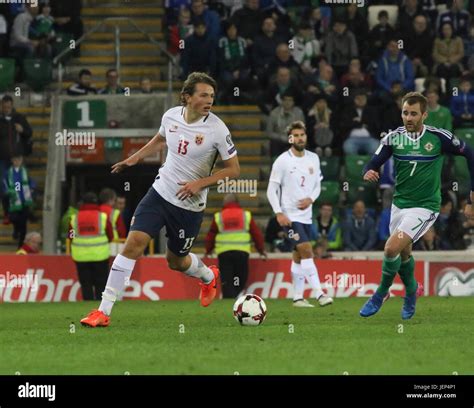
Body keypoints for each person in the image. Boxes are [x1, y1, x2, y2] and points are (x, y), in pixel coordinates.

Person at [80, 72, 240, 327]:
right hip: (160, 192)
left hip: (190, 205)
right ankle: (103, 311)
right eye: (203, 95)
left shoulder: (217, 129)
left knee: (175, 261)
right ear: (187, 97)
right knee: (133, 244)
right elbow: (161, 139)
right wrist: (135, 157)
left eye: (211, 95)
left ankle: (208, 276)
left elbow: (234, 170)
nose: (209, 100)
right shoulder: (171, 116)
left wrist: (199, 183)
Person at [360, 92, 474, 320]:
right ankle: (412, 290)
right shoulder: (393, 138)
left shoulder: (438, 138)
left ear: (424, 114)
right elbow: (373, 162)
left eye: (413, 113)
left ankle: (381, 293)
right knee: (403, 254)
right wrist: (369, 171)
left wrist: (472, 193)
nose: (408, 118)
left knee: (391, 248)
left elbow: (470, 153)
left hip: (425, 206)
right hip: (400, 204)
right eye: (405, 113)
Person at [266, 120, 333, 308]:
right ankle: (319, 294)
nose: (299, 138)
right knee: (306, 249)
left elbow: (318, 184)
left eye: (302, 135)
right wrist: (279, 213)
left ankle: (297, 297)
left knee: (297, 255)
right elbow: (271, 190)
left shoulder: (313, 158)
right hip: (289, 217)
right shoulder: (282, 161)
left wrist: (311, 198)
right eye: (295, 135)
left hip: (306, 216)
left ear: (306, 136)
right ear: (290, 138)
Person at [204, 193, 266, 298]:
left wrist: (208, 250)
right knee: (241, 278)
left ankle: (229, 298)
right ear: (237, 202)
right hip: (242, 252)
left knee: (227, 279)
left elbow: (211, 234)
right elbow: (256, 234)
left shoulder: (219, 216)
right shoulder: (245, 215)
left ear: (225, 203)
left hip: (224, 253)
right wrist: (261, 250)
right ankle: (233, 298)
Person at [70, 192, 114, 301]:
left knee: (86, 284)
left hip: (81, 256)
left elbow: (70, 235)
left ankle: (87, 306)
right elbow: (110, 235)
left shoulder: (74, 217)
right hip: (100, 255)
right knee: (101, 283)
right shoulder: (102, 216)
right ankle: (100, 309)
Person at [3, 153, 36, 248]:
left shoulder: (24, 171)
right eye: (15, 160)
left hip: (25, 200)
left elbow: (30, 181)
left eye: (19, 160)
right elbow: (5, 184)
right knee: (14, 218)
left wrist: (32, 188)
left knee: (23, 225)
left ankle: (20, 245)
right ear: (12, 161)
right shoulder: (8, 172)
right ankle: (16, 229)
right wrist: (9, 191)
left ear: (21, 160)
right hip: (14, 200)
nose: (17, 162)